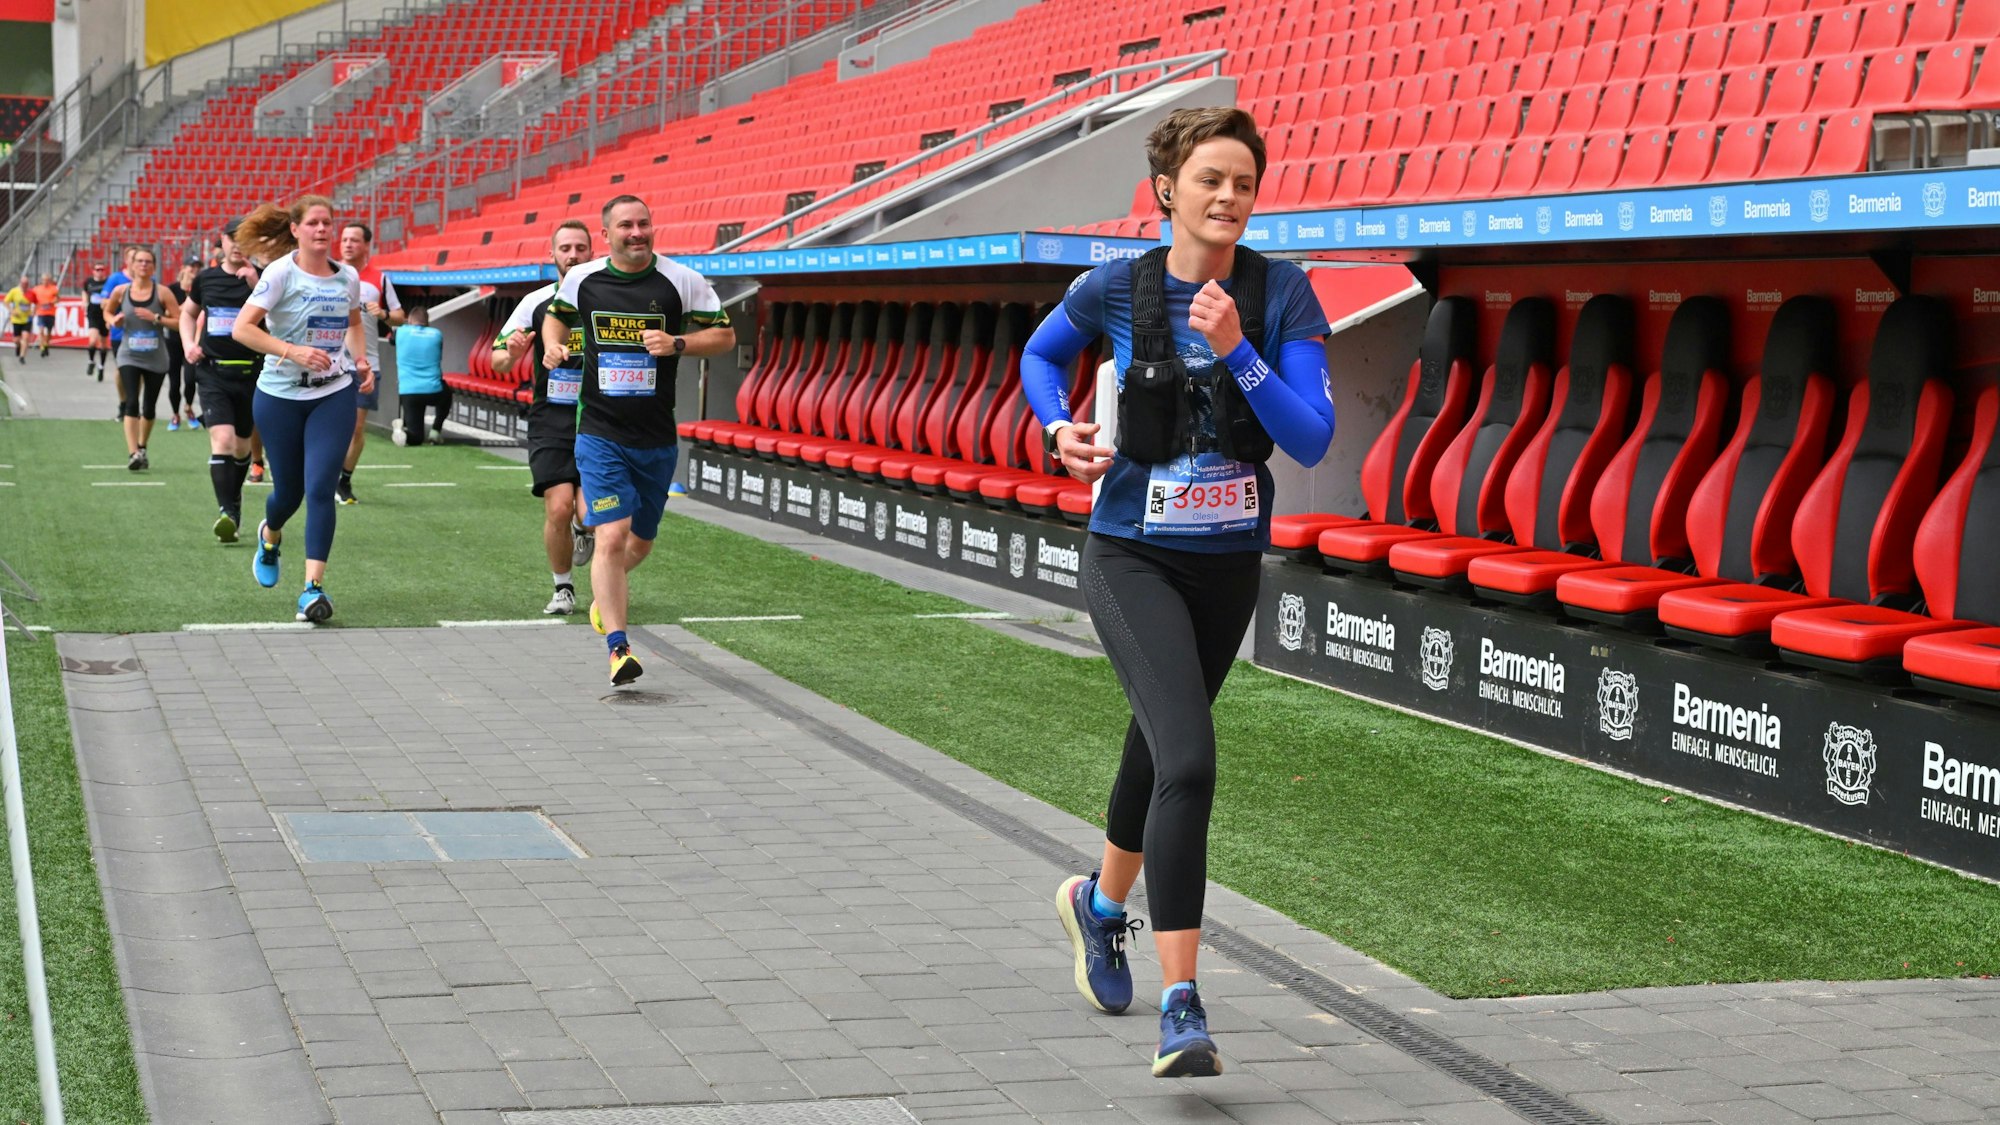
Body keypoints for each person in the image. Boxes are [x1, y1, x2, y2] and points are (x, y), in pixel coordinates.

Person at [1021, 107, 1333, 1079]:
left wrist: (1239, 349)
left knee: (1155, 748)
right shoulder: (1117, 285)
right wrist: (1055, 428)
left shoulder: (1281, 293)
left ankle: (1098, 907)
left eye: (1243, 182)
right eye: (1209, 179)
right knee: (1188, 761)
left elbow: (1311, 436)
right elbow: (1040, 355)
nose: (1228, 197)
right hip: (1131, 557)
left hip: (1226, 564)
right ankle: (1182, 1005)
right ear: (1167, 189)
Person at [542, 195, 732, 683]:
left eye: (643, 223)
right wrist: (552, 344)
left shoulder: (681, 280)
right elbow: (555, 315)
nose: (637, 232)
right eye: (626, 225)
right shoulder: (583, 279)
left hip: (655, 437)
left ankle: (604, 597)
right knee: (610, 534)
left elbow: (725, 335)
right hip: (599, 432)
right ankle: (619, 649)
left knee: (640, 543)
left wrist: (678, 343)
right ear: (606, 235)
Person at [230, 196, 372, 623]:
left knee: (321, 487)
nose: (322, 229)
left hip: (334, 393)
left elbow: (354, 324)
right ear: (295, 230)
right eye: (313, 223)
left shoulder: (347, 277)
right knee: (288, 494)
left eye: (327, 222)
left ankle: (312, 589)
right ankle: (270, 534)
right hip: (279, 397)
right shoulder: (279, 273)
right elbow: (242, 329)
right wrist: (292, 351)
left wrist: (360, 361)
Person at [493, 219, 596, 615]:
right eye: (565, 248)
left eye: (580, 248)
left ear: (592, 252)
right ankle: (563, 588)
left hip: (600, 419)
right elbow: (498, 359)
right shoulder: (535, 303)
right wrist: (512, 353)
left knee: (589, 513)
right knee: (558, 506)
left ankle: (583, 530)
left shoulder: (607, 299)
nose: (573, 255)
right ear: (552, 254)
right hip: (551, 418)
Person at [182, 216, 264, 542]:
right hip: (212, 372)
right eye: (233, 238)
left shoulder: (265, 279)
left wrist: (256, 284)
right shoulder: (206, 279)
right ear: (223, 241)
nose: (238, 245)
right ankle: (226, 512)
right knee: (224, 441)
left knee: (243, 448)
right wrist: (188, 344)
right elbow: (188, 313)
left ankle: (234, 501)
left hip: (252, 372)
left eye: (245, 239)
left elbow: (281, 319)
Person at [333, 221, 403, 505]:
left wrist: (383, 314)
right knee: (329, 426)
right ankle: (323, 475)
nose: (348, 244)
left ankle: (344, 481)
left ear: (365, 245)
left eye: (354, 240)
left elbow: (400, 316)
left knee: (356, 428)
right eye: (344, 239)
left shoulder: (380, 279)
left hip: (366, 364)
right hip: (330, 363)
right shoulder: (329, 273)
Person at [103, 247, 182, 471]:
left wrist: (156, 317)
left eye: (148, 261)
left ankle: (142, 446)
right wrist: (114, 320)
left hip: (156, 357)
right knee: (131, 402)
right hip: (129, 354)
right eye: (139, 261)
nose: (143, 265)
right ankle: (133, 453)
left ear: (154, 267)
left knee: (149, 406)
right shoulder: (121, 291)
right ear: (131, 265)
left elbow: (179, 322)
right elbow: (107, 312)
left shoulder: (163, 293)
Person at [389, 306, 449, 443]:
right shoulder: (436, 334)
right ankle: (436, 430)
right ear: (427, 322)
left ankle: (403, 433)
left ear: (410, 320)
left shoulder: (401, 332)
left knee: (416, 437)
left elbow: (391, 340)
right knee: (447, 394)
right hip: (433, 391)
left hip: (409, 392)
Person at [165, 261, 200, 430]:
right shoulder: (172, 289)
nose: (194, 270)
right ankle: (175, 414)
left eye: (198, 268)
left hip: (192, 341)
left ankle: (188, 407)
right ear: (183, 269)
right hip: (173, 341)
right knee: (174, 382)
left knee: (190, 379)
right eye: (191, 267)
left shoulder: (199, 288)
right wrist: (185, 306)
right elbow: (167, 313)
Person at [83, 260, 112, 380]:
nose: (100, 272)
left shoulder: (108, 282)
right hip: (93, 314)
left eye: (102, 269)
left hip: (104, 315)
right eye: (97, 269)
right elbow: (85, 292)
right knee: (92, 340)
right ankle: (91, 361)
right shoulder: (89, 282)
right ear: (93, 271)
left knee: (104, 344)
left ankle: (101, 366)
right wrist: (84, 302)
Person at [4, 275, 30, 364]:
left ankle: (22, 357)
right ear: (20, 283)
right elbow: (6, 301)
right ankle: (18, 346)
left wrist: (34, 311)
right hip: (16, 319)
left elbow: (37, 302)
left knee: (25, 338)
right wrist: (12, 311)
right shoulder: (14, 291)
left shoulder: (31, 292)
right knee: (16, 340)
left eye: (26, 283)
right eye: (23, 283)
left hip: (27, 319)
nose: (25, 285)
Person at [30, 274, 57, 357]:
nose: (45, 281)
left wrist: (51, 302)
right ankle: (42, 348)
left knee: (49, 332)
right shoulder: (36, 289)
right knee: (41, 330)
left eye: (47, 280)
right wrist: (33, 310)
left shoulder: (53, 289)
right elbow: (32, 299)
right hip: (41, 313)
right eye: (44, 280)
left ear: (49, 281)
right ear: (41, 280)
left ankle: (46, 345)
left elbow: (57, 299)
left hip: (50, 313)